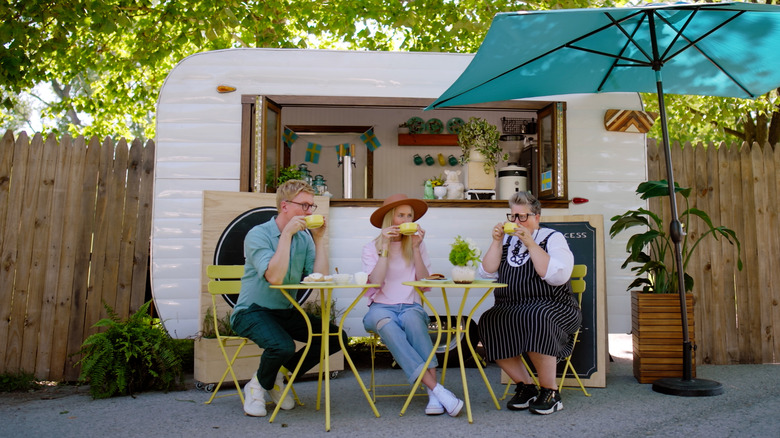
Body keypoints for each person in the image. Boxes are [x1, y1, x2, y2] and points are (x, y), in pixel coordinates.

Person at [230, 179, 344, 417]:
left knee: (334, 336)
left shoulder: (304, 238)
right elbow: (275, 278)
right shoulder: (258, 234)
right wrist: (287, 236)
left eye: (311, 206)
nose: (309, 211)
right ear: (284, 206)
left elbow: (319, 277)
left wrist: (319, 238)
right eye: (304, 205)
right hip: (251, 311)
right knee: (282, 346)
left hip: (284, 311)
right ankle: (257, 387)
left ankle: (276, 377)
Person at [477, 191, 581, 415]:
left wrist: (531, 243)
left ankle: (550, 391)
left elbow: (556, 276)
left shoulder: (553, 238)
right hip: (511, 306)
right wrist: (496, 242)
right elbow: (486, 272)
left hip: (554, 306)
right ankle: (526, 386)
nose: (516, 222)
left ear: (537, 217)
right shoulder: (505, 241)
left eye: (522, 217)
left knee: (536, 316)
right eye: (512, 216)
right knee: (489, 319)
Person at [361, 194, 464, 417]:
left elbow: (425, 283)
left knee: (414, 322)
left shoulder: (417, 245)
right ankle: (437, 390)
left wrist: (416, 247)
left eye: (410, 216)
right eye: (401, 215)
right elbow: (376, 283)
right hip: (379, 308)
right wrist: (386, 248)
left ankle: (432, 395)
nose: (406, 219)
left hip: (410, 306)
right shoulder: (372, 248)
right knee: (388, 326)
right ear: (391, 219)